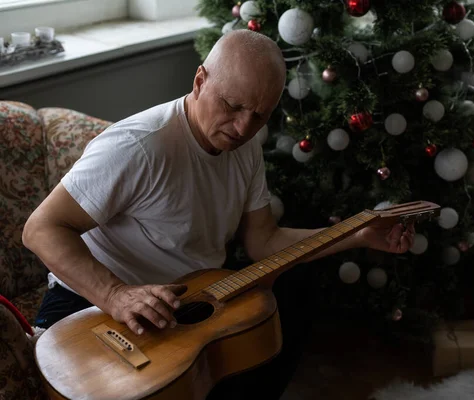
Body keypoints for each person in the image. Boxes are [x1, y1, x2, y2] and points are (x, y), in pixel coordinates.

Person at [22, 29, 415, 399]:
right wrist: (116, 295)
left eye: (260, 115)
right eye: (232, 105)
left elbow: (264, 241)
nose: (244, 127)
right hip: (92, 308)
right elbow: (40, 229)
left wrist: (359, 234)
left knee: (293, 295)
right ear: (199, 81)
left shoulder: (245, 147)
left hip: (186, 305)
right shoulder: (140, 146)